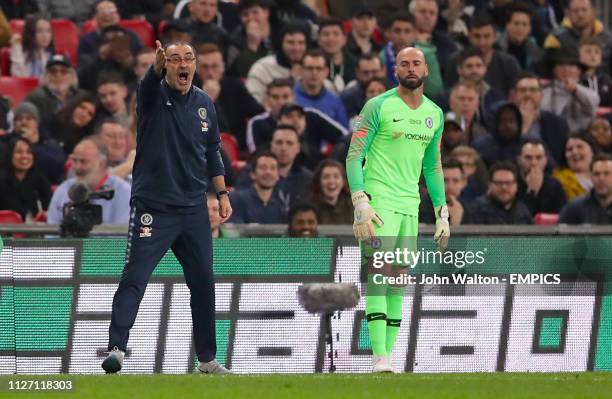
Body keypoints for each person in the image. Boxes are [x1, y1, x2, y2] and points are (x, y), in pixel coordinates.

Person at [102, 40, 232, 375]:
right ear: (166, 66)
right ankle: (116, 348)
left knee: (203, 282)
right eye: (174, 60)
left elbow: (212, 151)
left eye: (188, 58)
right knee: (136, 277)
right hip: (154, 207)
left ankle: (206, 360)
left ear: (196, 64)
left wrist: (221, 193)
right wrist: (154, 67)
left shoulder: (204, 103)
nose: (182, 64)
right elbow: (145, 85)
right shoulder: (152, 96)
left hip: (192, 209)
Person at [346, 47, 448, 373]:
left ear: (426, 70)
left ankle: (388, 360)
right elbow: (354, 155)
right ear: (395, 71)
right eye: (404, 63)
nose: (411, 68)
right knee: (379, 273)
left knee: (399, 278)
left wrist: (442, 210)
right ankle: (379, 357)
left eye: (416, 63)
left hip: (410, 206)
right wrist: (360, 200)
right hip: (379, 203)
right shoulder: (377, 106)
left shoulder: (435, 114)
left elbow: (432, 168)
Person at [247, 79, 348, 155]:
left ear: (293, 97)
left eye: (285, 97)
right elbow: (257, 157)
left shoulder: (310, 115)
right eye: (275, 97)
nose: (281, 102)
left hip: (314, 172)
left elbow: (345, 137)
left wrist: (334, 158)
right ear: (267, 100)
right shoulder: (258, 123)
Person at [47, 138, 131, 225]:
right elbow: (51, 232)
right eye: (74, 160)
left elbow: (122, 235)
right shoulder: (63, 189)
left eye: (83, 161)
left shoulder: (123, 191)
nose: (77, 167)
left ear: (102, 163)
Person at [196, 43, 264, 150]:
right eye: (205, 67)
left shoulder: (235, 87)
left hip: (236, 146)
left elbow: (259, 114)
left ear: (223, 67)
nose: (210, 73)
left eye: (215, 66)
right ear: (197, 69)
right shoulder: (188, 90)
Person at [445, 12, 522, 95]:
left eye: (487, 36)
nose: (482, 42)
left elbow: (515, 95)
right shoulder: (454, 60)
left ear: (494, 36)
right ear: (469, 36)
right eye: (477, 36)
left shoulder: (509, 63)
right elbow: (448, 93)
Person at [510, 72, 569, 164]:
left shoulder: (557, 124)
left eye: (533, 90)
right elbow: (507, 156)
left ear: (541, 95)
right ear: (513, 96)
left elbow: (559, 159)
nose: (528, 95)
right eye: (522, 90)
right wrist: (524, 126)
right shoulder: (503, 121)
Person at [246, 22, 308, 103]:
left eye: (301, 43)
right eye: (290, 42)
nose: (296, 48)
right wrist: (291, 80)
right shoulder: (262, 68)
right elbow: (252, 102)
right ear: (280, 43)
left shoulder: (312, 67)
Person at [543, 0, 612, 71]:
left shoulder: (608, 38)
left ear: (593, 12)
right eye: (575, 11)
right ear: (568, 14)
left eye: (584, 10)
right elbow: (546, 69)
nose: (580, 14)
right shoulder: (555, 38)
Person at [541, 50, 600, 133]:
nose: (566, 69)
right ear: (554, 70)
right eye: (561, 64)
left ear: (579, 70)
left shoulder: (590, 93)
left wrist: (576, 90)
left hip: (581, 138)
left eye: (571, 65)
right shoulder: (544, 93)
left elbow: (592, 105)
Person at [9, 102, 65, 184]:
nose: (23, 122)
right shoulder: (6, 142)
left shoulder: (50, 144)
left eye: (28, 118)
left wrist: (33, 145)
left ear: (36, 122)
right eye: (19, 119)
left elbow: (56, 169)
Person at [0, 136, 52, 221]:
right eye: (19, 152)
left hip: (36, 231)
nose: (24, 156)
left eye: (29, 152)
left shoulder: (40, 180)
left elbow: (50, 208)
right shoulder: (2, 181)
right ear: (9, 155)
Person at [294, 49, 349, 128]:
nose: (314, 73)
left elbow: (344, 133)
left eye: (319, 69)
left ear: (326, 72)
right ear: (301, 71)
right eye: (310, 68)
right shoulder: (291, 97)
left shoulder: (335, 101)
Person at [25, 54, 80, 132]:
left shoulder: (79, 97)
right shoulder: (35, 97)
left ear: (71, 75)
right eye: (53, 71)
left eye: (63, 71)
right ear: (45, 76)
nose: (58, 75)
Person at [77, 0, 143, 66]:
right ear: (95, 18)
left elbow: (142, 57)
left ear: (118, 16)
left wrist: (130, 60)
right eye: (103, 12)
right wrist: (99, 55)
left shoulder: (131, 35)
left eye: (112, 11)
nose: (108, 15)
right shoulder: (87, 40)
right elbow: (83, 66)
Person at [229, 151, 288, 224]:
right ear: (252, 174)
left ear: (278, 176)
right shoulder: (236, 199)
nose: (268, 172)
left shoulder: (282, 205)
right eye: (263, 168)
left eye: (272, 168)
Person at [465, 161, 533, 224]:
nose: (504, 187)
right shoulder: (477, 209)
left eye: (508, 183)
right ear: (490, 185)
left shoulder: (522, 210)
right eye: (498, 183)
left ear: (516, 185)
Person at [516, 139, 567, 216]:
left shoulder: (555, 186)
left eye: (539, 158)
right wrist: (531, 192)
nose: (534, 163)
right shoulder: (511, 183)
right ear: (519, 160)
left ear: (545, 160)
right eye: (528, 158)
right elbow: (518, 218)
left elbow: (562, 217)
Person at [559, 154, 612, 224]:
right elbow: (560, 233)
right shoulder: (573, 208)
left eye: (606, 173)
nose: (601, 179)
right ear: (591, 177)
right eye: (596, 174)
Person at [473, 102, 524, 167]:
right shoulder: (480, 147)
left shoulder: (526, 145)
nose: (508, 125)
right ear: (495, 123)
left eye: (512, 120)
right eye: (504, 121)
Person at [496, 3, 544, 72]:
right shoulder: (497, 48)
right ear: (507, 26)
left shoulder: (536, 51)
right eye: (516, 23)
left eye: (524, 24)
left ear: (529, 28)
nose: (520, 29)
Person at [420, 158, 468, 225]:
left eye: (455, 181)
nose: (450, 187)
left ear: (463, 183)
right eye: (444, 181)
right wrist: (454, 223)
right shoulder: (422, 208)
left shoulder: (468, 208)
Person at [552, 131, 598, 201]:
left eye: (580, 147)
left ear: (592, 151)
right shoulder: (558, 182)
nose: (574, 152)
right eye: (569, 149)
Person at [317, 18, 357, 93]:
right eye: (326, 34)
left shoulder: (356, 64)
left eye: (336, 34)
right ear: (319, 39)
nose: (331, 38)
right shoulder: (312, 64)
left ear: (344, 39)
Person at [341, 53, 385, 119]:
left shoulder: (397, 93)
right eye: (365, 72)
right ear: (357, 72)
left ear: (383, 70)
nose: (370, 76)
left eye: (375, 72)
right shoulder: (348, 98)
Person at [309, 159, 352, 224]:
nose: (331, 181)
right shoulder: (310, 207)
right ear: (319, 182)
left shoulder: (354, 205)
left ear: (343, 181)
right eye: (326, 177)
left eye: (336, 176)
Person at [579, 37, 612, 107]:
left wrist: (606, 118)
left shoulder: (606, 80)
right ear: (578, 55)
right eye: (588, 51)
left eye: (597, 52)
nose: (593, 55)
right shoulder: (574, 79)